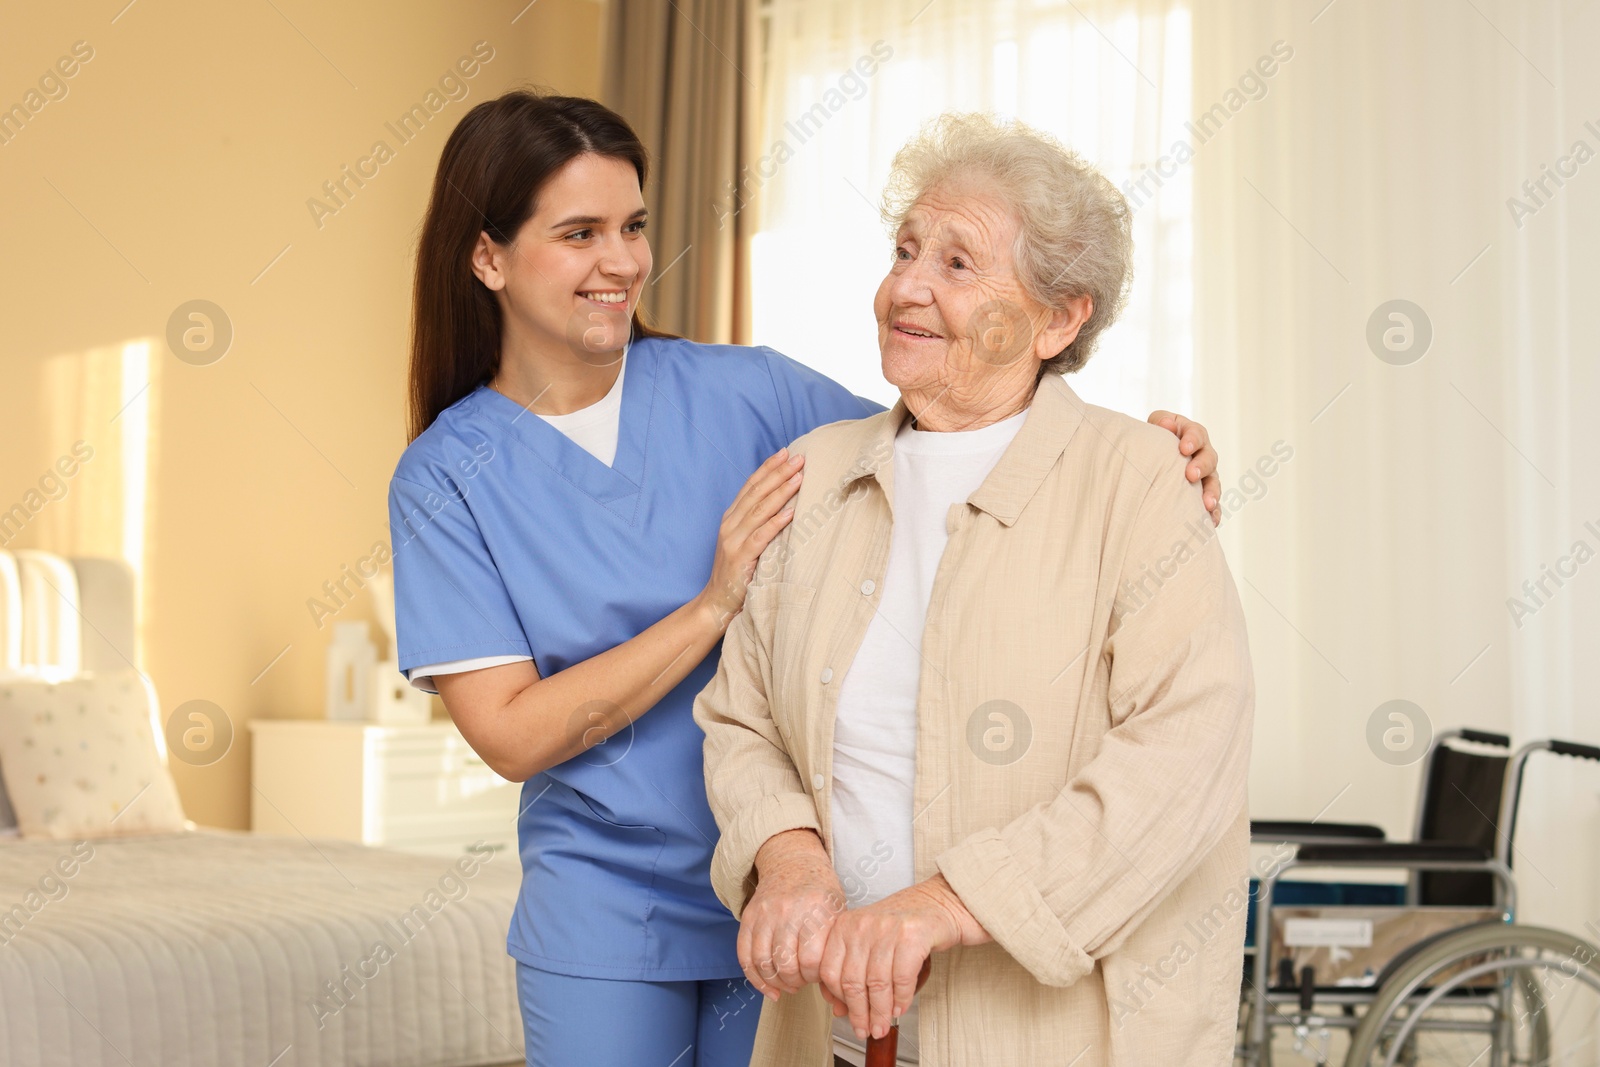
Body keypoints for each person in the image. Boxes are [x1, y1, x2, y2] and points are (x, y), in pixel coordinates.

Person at [388, 91, 1223, 1067]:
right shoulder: (448, 475)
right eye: (579, 233)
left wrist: (1162, 454)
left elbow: (970, 416)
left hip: (792, 905)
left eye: (633, 227)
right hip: (628, 896)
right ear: (488, 257)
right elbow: (512, 731)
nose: (618, 261)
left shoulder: (748, 393)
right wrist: (712, 604)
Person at [693, 112, 1254, 1067]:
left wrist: (945, 905)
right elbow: (743, 719)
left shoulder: (1138, 478)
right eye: (906, 248)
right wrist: (785, 857)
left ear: (1059, 317)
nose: (906, 284)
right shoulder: (816, 474)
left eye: (959, 263)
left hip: (1057, 1037)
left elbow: (1185, 753)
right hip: (834, 1031)